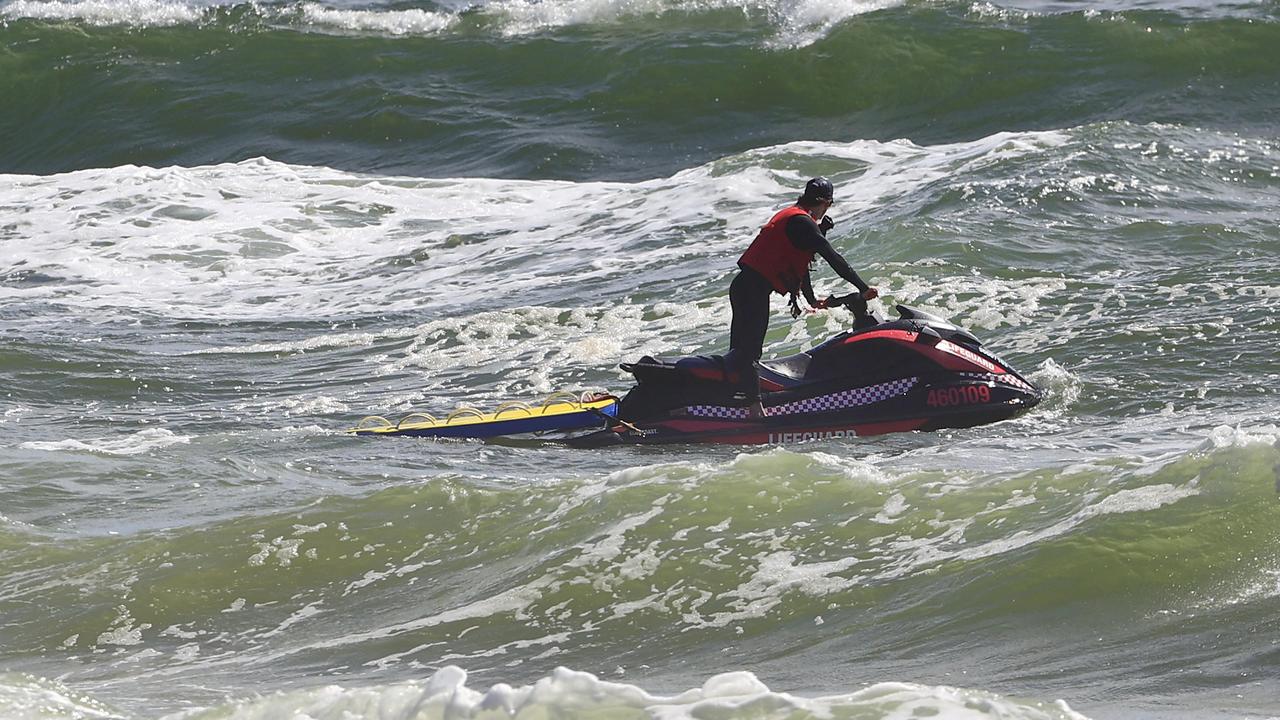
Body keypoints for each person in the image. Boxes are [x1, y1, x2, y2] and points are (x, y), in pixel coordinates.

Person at [728, 177, 879, 418]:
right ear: (827, 203)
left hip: (745, 287)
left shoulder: (795, 217)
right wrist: (863, 287)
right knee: (749, 351)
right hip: (751, 291)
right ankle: (754, 410)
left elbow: (798, 262)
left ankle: (731, 399)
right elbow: (833, 257)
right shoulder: (803, 223)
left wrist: (811, 299)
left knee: (739, 350)